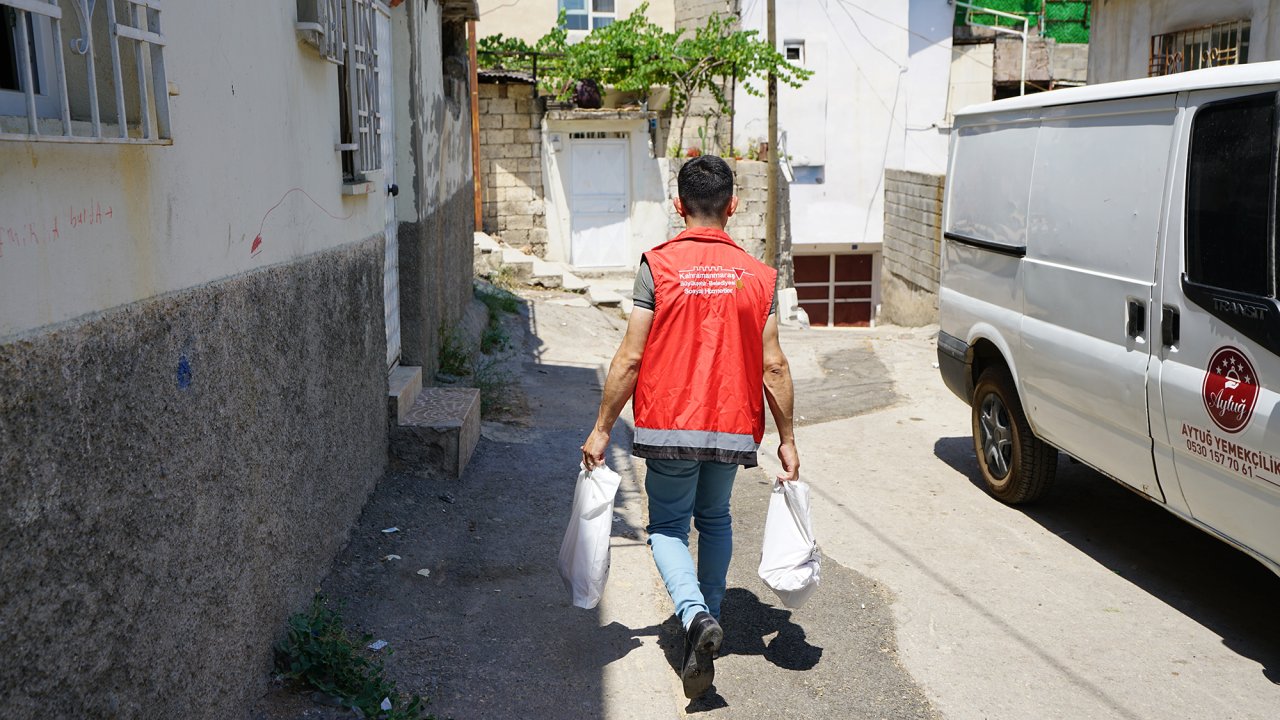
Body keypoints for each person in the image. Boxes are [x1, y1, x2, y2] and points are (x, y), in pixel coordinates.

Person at [581, 155, 799, 700]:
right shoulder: (760, 277)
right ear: (733, 206)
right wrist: (788, 439)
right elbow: (773, 365)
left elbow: (631, 356)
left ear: (678, 205)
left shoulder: (657, 266)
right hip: (732, 425)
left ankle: (695, 615)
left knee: (668, 528)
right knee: (716, 517)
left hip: (670, 424)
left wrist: (603, 427)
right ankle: (710, 615)